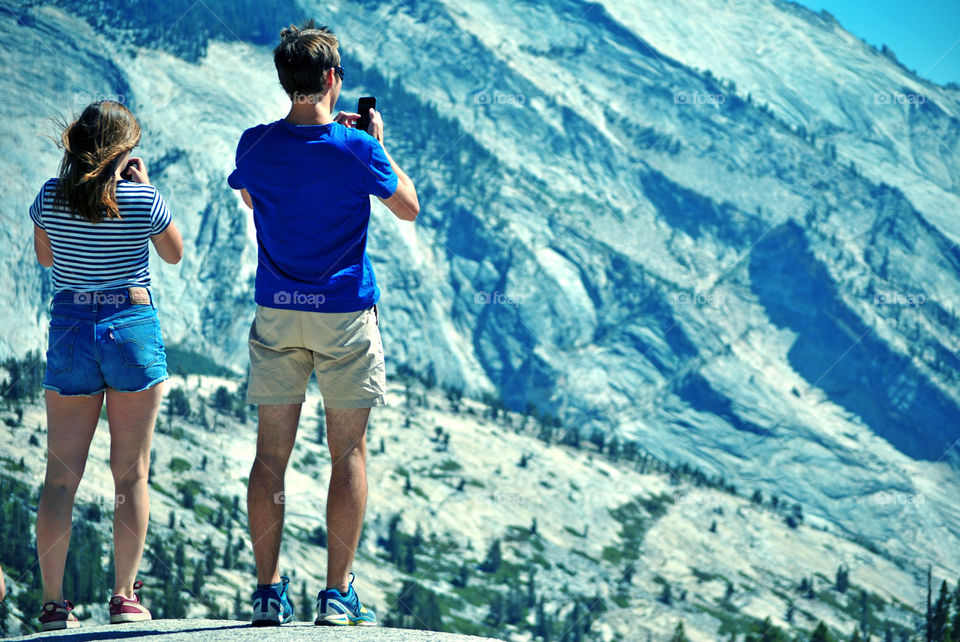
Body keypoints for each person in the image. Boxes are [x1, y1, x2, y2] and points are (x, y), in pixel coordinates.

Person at [227, 20, 418, 627]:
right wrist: (376, 147)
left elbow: (254, 198)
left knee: (269, 457)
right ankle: (336, 594)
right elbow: (409, 208)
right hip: (342, 315)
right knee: (348, 453)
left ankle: (265, 591)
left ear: (286, 81)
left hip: (279, 312)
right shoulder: (357, 149)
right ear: (334, 78)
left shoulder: (253, 144)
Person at [30, 101, 183, 631]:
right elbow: (173, 254)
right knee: (131, 473)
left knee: (59, 479)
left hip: (71, 327)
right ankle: (123, 597)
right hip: (130, 325)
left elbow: (47, 258)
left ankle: (53, 604)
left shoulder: (49, 196)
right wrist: (146, 186)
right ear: (122, 151)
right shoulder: (143, 198)